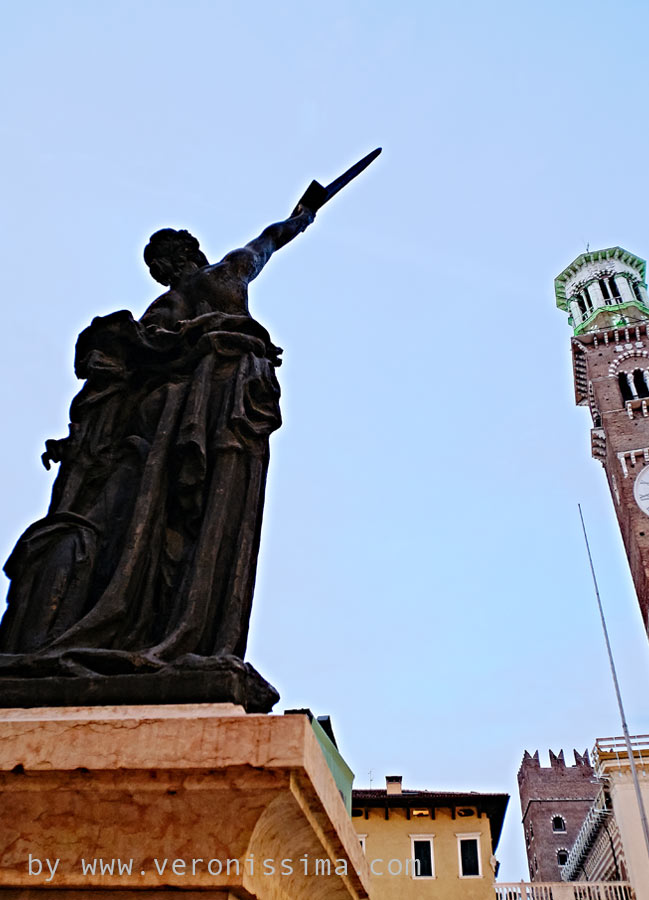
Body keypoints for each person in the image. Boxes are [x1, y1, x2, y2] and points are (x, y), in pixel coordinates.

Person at [0, 206, 314, 691]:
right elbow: (270, 238)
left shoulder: (161, 312)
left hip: (174, 410)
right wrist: (302, 216)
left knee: (166, 517)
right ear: (193, 251)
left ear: (165, 267)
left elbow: (115, 379)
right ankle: (188, 636)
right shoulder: (228, 271)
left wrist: (78, 439)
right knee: (205, 518)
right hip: (224, 392)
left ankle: (173, 634)